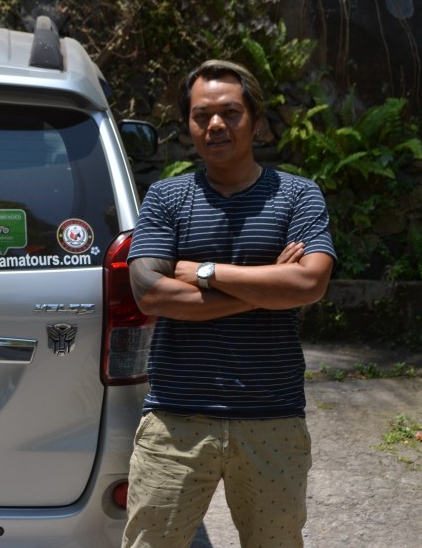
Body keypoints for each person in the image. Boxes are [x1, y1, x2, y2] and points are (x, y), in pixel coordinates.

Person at [122, 59, 336, 548]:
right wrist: (269, 291)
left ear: (256, 122)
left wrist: (203, 271)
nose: (215, 124)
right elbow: (150, 292)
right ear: (189, 125)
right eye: (201, 116)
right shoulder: (166, 197)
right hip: (175, 419)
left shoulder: (298, 196)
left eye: (230, 113)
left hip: (273, 418)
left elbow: (310, 283)